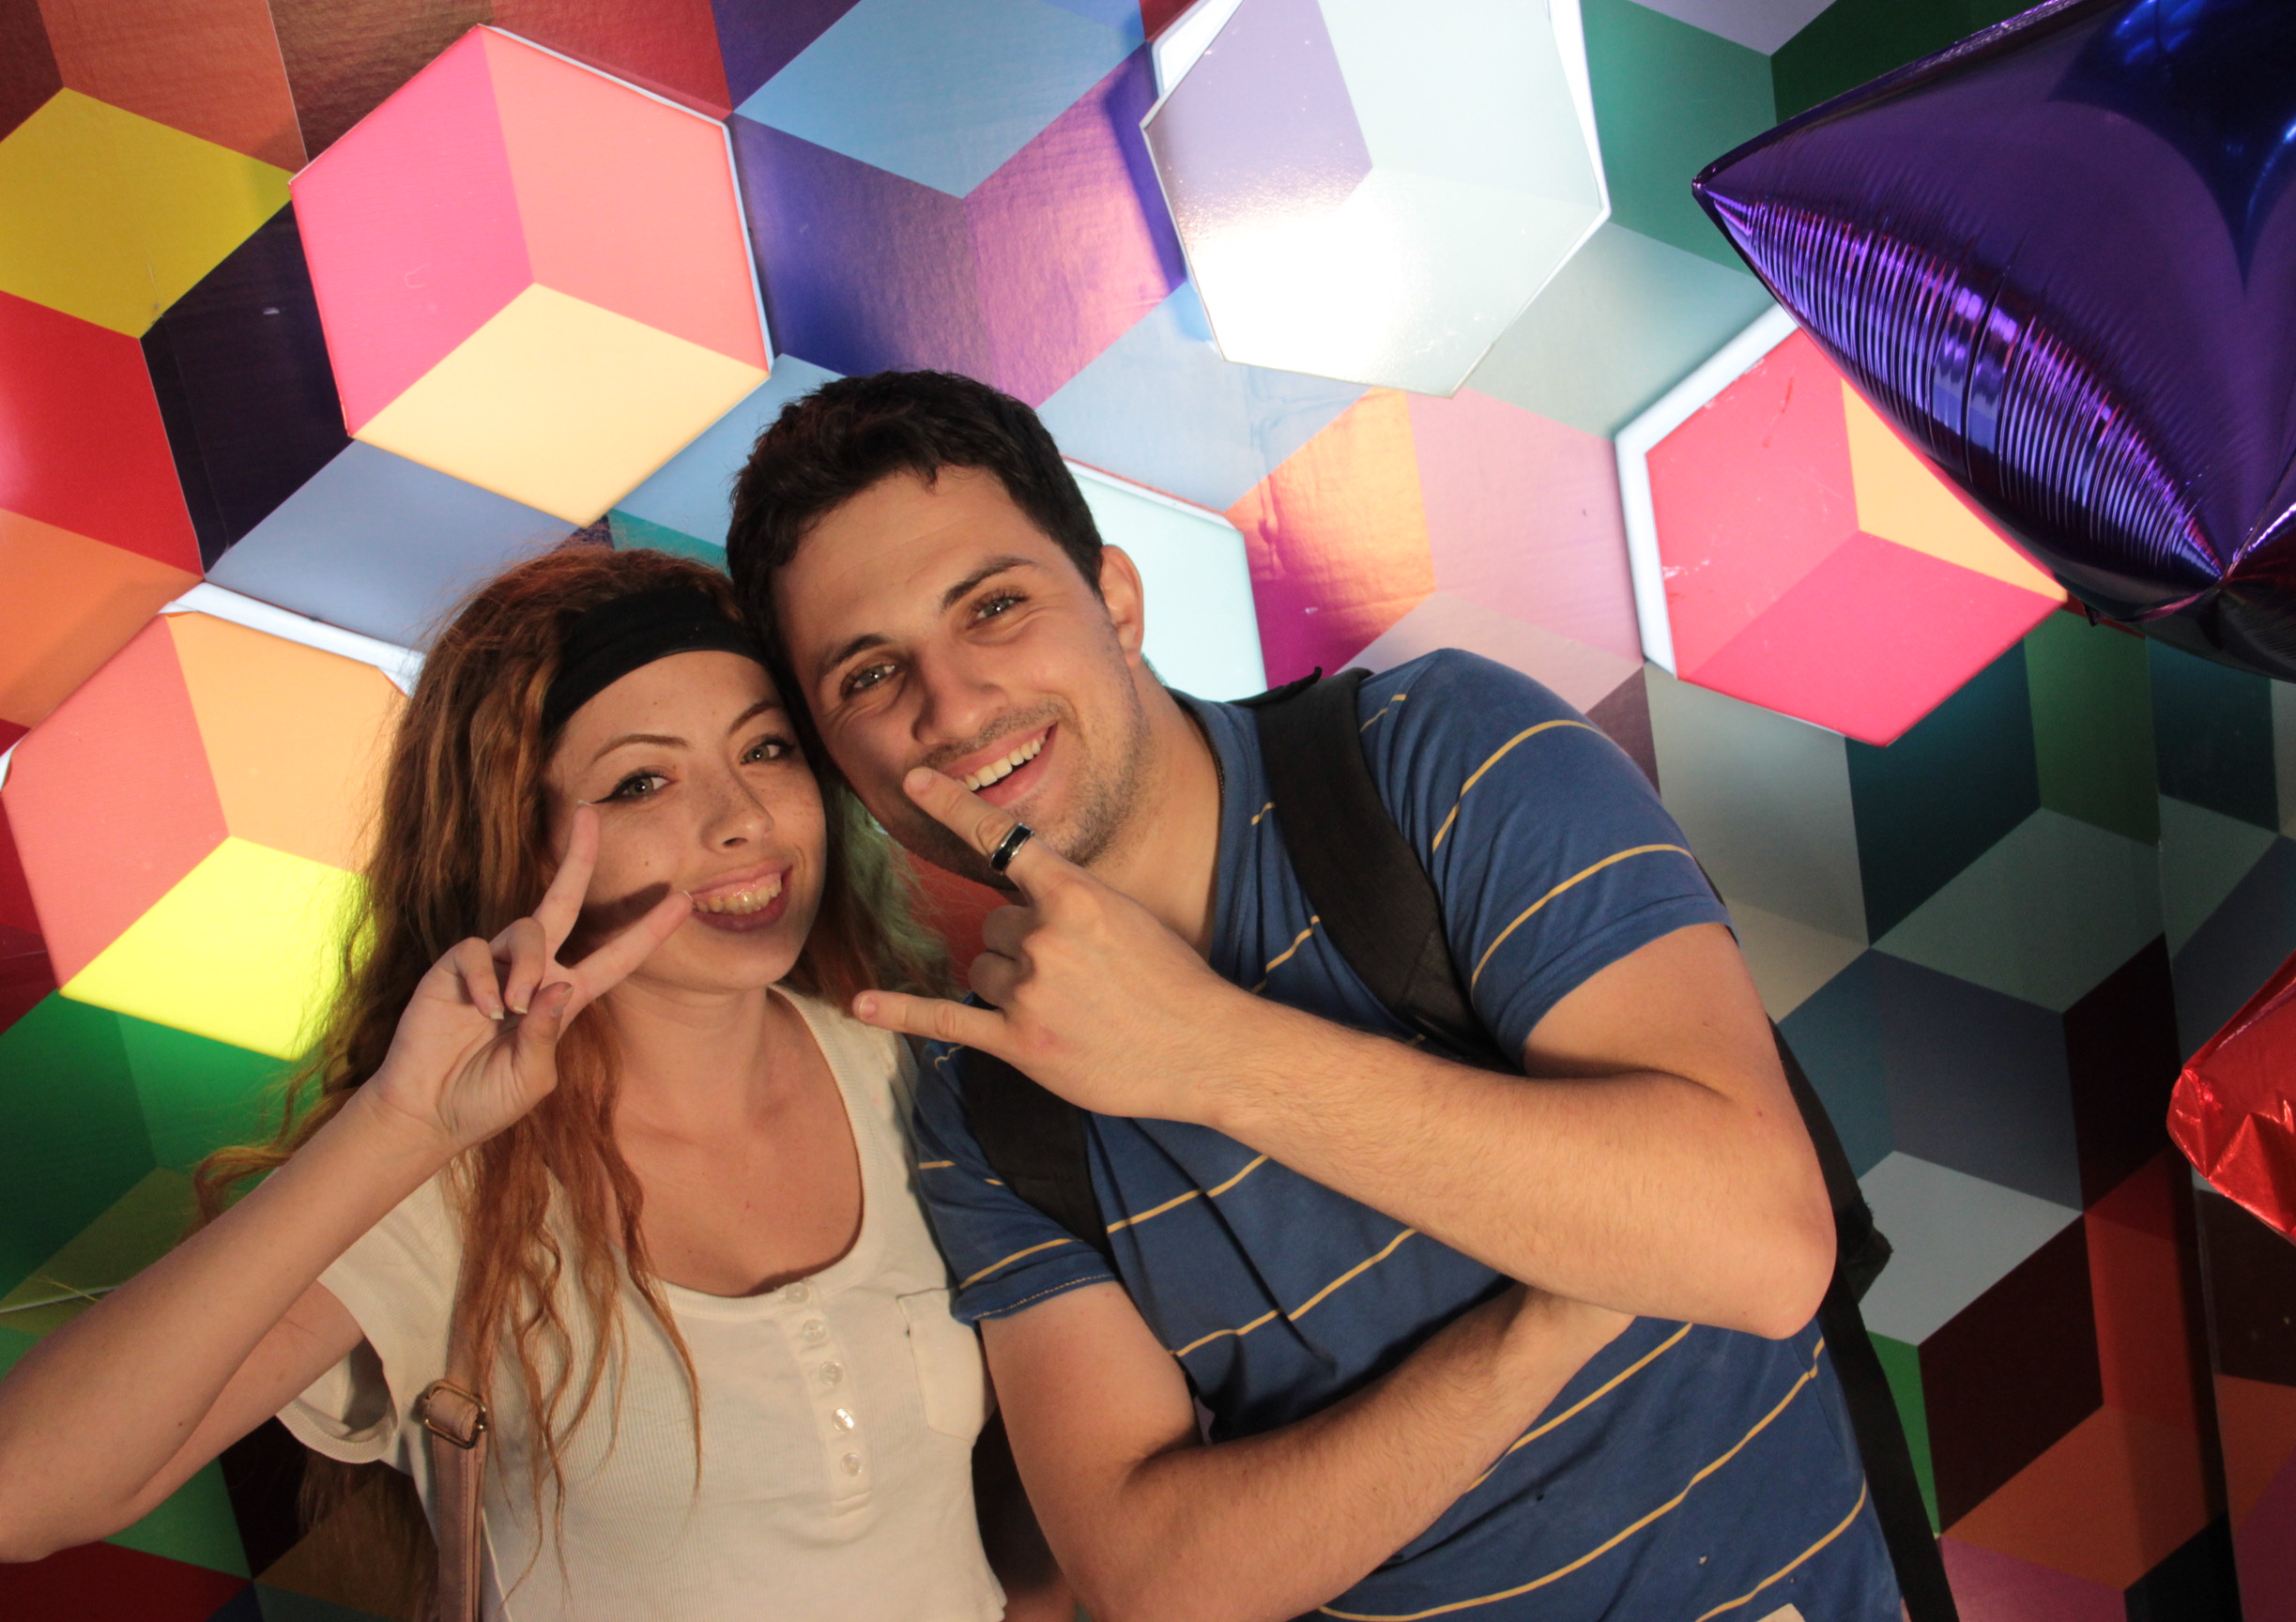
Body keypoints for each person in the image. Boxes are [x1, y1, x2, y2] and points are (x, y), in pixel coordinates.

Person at [723, 371, 1906, 1622]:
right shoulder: (987, 1108)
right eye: (868, 676)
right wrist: (1545, 1324)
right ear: (839, 760)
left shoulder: (1437, 754)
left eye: (995, 606)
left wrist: (1211, 1054)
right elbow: (1158, 1584)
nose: (953, 707)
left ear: (1115, 598)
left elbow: (1760, 1249)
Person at [0, 547, 1066, 1621]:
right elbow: (23, 1496)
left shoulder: (922, 1080)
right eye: (642, 781)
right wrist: (400, 1127)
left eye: (766, 748)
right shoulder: (448, 1179)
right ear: (520, 843)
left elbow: (1040, 1518)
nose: (743, 816)